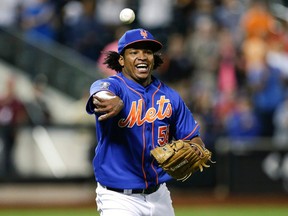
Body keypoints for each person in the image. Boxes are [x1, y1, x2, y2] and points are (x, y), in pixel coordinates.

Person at [86, 28, 206, 216]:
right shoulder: (114, 86)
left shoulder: (170, 97)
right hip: (118, 198)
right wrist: (112, 100)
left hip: (159, 195)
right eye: (134, 52)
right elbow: (99, 92)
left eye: (147, 52)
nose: (142, 57)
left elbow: (194, 138)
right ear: (121, 60)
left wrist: (196, 150)